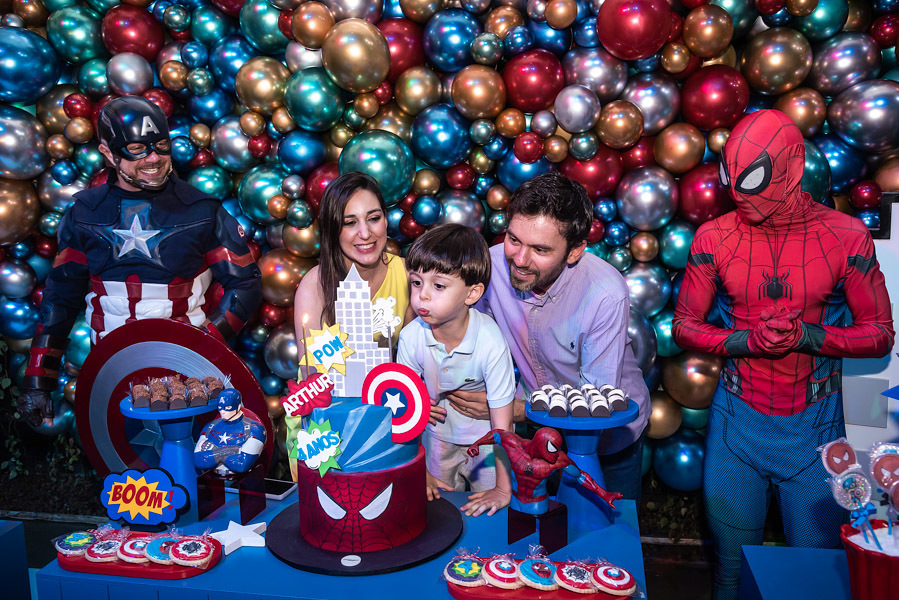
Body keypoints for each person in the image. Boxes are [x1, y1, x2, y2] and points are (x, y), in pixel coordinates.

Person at [672, 109, 894, 600]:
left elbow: (879, 334)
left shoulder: (845, 237)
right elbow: (683, 326)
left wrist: (808, 337)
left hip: (815, 430)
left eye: (753, 179)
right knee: (730, 570)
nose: (740, 194)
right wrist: (746, 342)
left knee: (813, 576)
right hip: (737, 423)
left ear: (791, 169)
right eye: (733, 179)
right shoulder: (715, 237)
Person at [19, 96, 262, 427]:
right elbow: (60, 298)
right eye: (137, 148)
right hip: (110, 377)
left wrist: (201, 346)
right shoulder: (84, 214)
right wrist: (38, 380)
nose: (154, 158)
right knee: (123, 473)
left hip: (191, 381)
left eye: (161, 145)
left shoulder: (202, 210)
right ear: (107, 153)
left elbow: (245, 285)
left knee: (197, 471)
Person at [447, 172, 650, 504]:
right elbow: (474, 336)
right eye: (514, 239)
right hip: (536, 429)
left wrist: (511, 410)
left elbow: (594, 402)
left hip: (607, 439)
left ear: (575, 251)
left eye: (540, 249)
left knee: (602, 539)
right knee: (539, 535)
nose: (520, 260)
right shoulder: (491, 264)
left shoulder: (604, 294)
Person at [397, 224, 515, 516]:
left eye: (438, 285)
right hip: (435, 440)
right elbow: (402, 412)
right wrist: (417, 470)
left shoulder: (490, 339)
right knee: (436, 516)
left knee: (490, 517)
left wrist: (503, 488)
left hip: (486, 447)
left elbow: (504, 426)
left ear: (472, 293)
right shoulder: (411, 337)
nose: (423, 295)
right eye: (416, 282)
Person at [293, 171, 413, 361]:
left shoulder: (407, 274)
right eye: (350, 223)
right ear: (333, 230)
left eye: (373, 218)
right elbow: (313, 374)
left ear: (386, 220)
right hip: (329, 389)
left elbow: (410, 360)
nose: (365, 233)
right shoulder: (315, 284)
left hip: (381, 388)